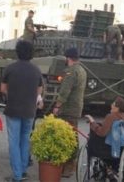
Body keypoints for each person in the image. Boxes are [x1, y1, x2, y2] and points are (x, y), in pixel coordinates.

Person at [1, 40, 42, 182]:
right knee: (25, 140)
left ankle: (17, 176)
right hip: (30, 110)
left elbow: (2, 89)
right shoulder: (36, 70)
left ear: (17, 52)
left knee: (14, 141)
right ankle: (23, 171)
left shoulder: (10, 68)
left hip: (13, 109)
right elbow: (39, 90)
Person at [53, 47, 87, 178]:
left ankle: (69, 165)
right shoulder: (82, 70)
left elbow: (65, 92)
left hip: (68, 109)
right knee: (72, 136)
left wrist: (57, 106)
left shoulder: (71, 72)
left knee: (68, 137)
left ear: (68, 58)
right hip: (76, 107)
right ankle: (71, 164)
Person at [85, 97, 124, 173]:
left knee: (93, 140)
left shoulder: (110, 117)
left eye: (113, 104)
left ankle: (106, 169)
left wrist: (92, 122)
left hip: (106, 150)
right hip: (121, 150)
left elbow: (102, 133)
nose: (111, 105)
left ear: (117, 108)